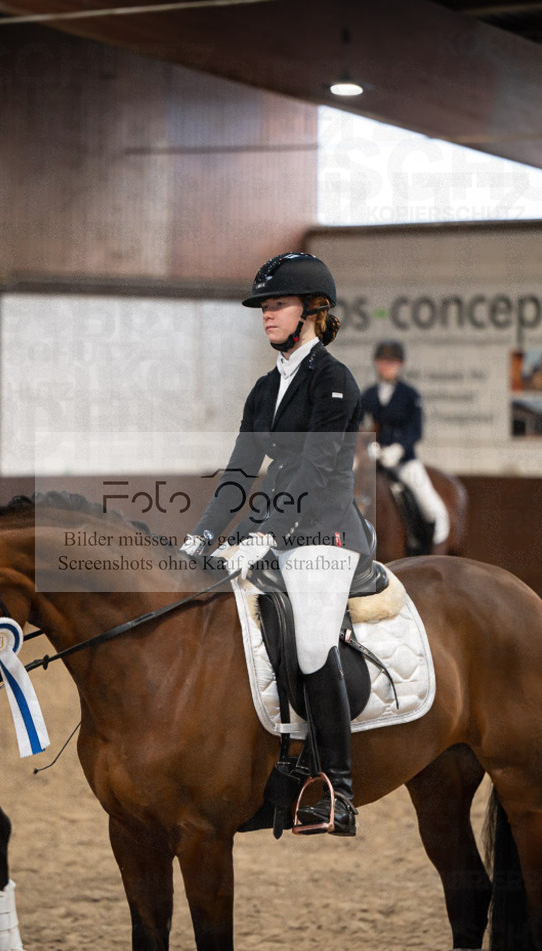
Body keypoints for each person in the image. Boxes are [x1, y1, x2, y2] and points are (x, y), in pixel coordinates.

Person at [180, 252, 373, 837]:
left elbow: (314, 472)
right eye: (263, 305)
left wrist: (264, 534)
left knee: (312, 646)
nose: (266, 314)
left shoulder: (333, 382)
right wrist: (202, 539)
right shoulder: (266, 388)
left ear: (313, 312)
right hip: (277, 527)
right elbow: (240, 472)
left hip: (327, 534)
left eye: (277, 304)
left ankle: (335, 788)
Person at [361, 341, 449, 547]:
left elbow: (416, 430)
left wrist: (398, 450)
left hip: (403, 461)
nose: (387, 366)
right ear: (376, 363)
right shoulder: (368, 394)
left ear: (399, 364)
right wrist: (368, 446)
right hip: (374, 462)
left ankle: (436, 548)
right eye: (383, 361)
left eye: (391, 362)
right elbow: (356, 424)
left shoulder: (410, 395)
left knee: (432, 506)